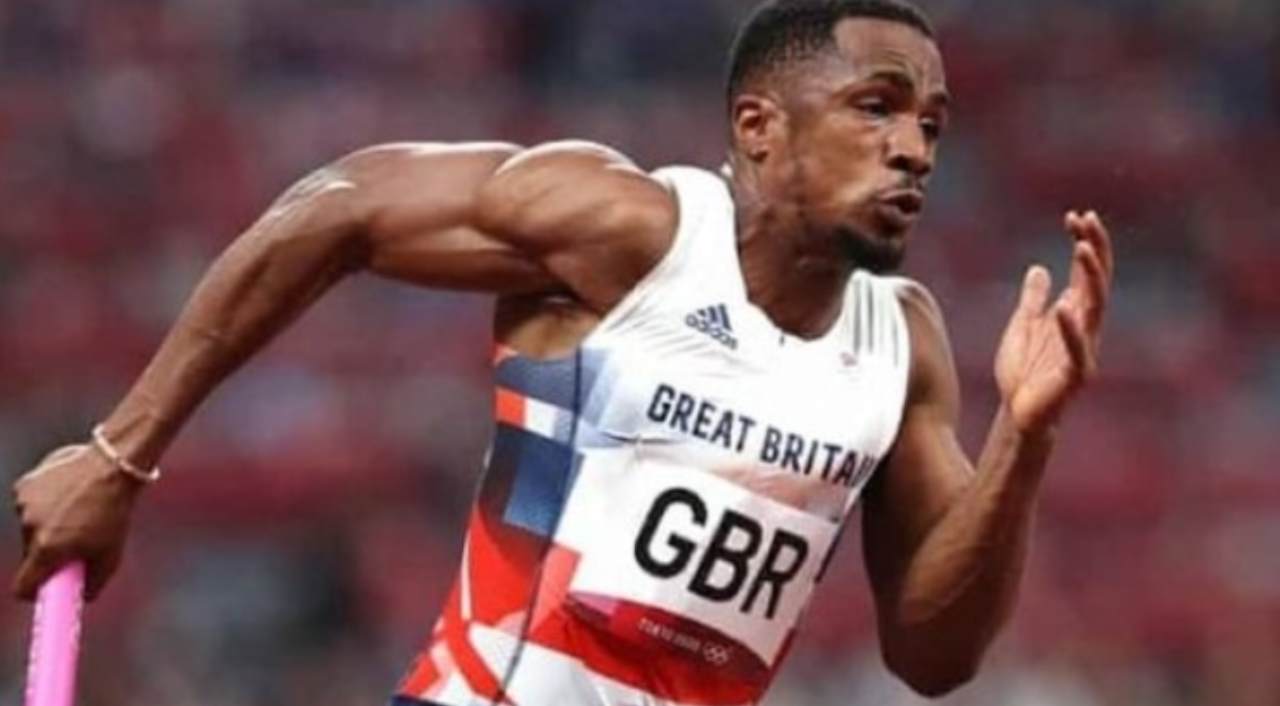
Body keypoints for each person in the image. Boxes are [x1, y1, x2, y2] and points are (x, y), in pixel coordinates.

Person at [11, 0, 1114, 704]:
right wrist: (119, 455)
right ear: (758, 129)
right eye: (877, 107)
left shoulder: (898, 346)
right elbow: (338, 207)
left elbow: (933, 657)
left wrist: (1025, 439)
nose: (913, 147)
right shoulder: (629, 234)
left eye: (931, 123)